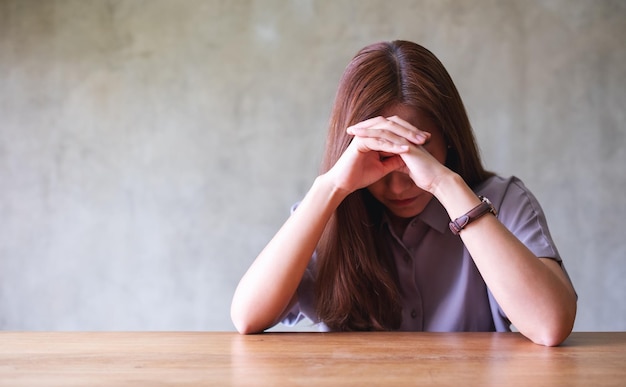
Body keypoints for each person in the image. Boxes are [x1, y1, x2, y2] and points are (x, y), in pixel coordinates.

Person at [230, 40, 577, 346]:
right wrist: (331, 185)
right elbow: (247, 317)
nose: (398, 186)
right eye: (382, 158)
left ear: (449, 139)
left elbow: (550, 326)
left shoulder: (504, 201)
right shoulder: (329, 215)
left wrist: (445, 184)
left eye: (417, 154)